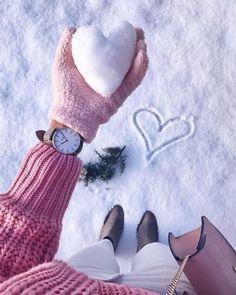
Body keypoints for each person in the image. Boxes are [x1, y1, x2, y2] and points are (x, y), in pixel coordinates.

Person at [0, 27, 195, 294]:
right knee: (162, 263)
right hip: (163, 291)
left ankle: (106, 243)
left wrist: (70, 124)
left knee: (96, 255)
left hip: (72, 280)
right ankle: (149, 247)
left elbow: (12, 247)